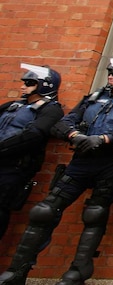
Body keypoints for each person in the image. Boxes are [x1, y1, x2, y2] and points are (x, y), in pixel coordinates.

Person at [0, 54, 113, 285]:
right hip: (81, 160)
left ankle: (78, 271)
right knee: (44, 211)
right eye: (110, 72)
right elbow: (63, 122)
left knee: (95, 214)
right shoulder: (94, 96)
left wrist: (105, 139)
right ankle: (16, 273)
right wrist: (75, 136)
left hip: (112, 162)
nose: (111, 76)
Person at [0, 64, 63, 240]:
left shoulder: (50, 109)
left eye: (29, 83)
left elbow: (34, 134)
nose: (23, 86)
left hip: (13, 167)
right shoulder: (13, 105)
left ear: (44, 85)